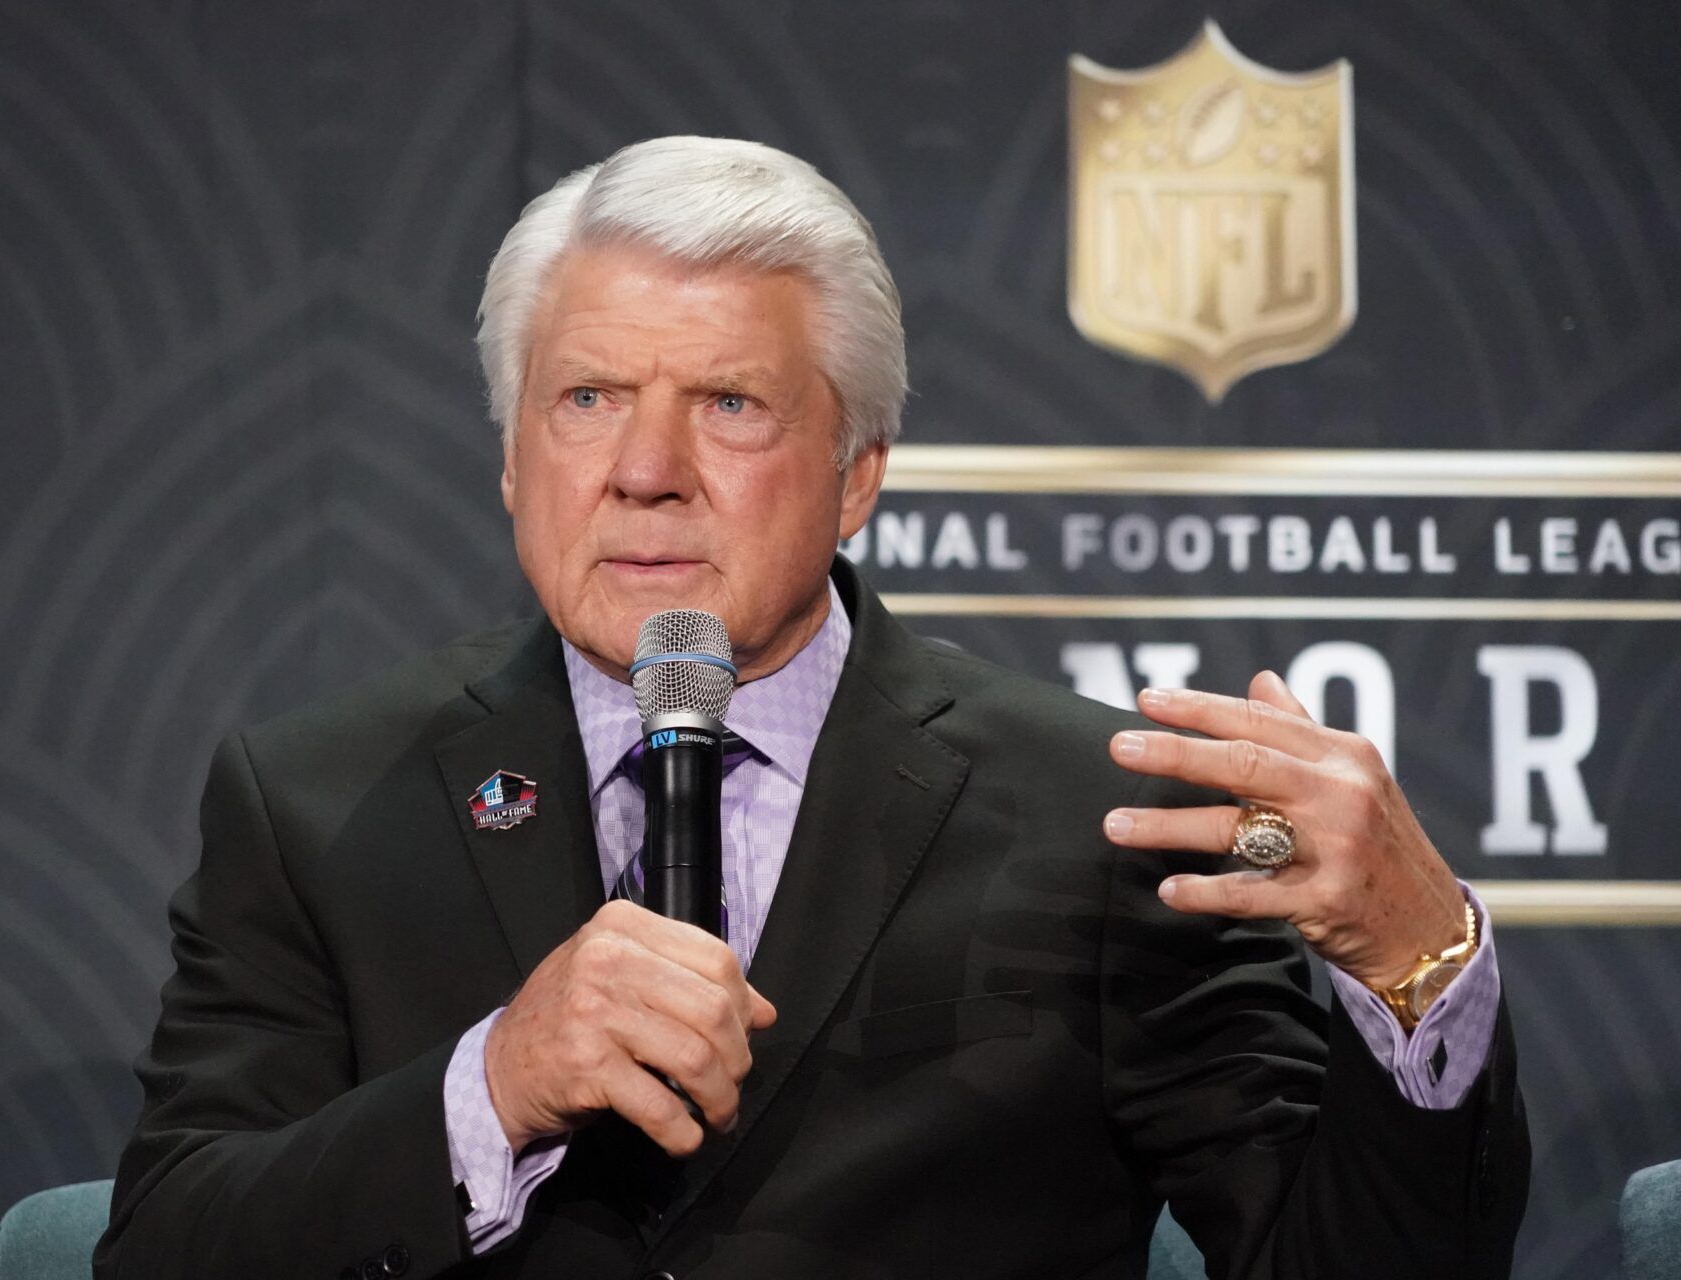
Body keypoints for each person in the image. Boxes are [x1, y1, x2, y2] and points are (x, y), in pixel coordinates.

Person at [96, 137, 1527, 1279]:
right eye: (587, 397)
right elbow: (167, 1248)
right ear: (513, 457)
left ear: (856, 474)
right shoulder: (319, 802)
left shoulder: (1096, 813)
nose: (646, 467)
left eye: (728, 404)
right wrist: (494, 1083)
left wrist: (1418, 960)